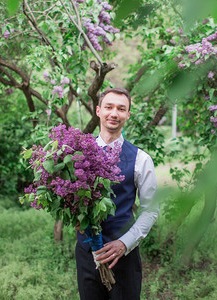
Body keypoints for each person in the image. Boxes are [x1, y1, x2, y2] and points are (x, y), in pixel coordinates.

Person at [75, 88, 159, 300]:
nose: (114, 113)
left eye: (121, 109)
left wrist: (125, 243)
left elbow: (150, 210)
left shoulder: (141, 159)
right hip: (87, 253)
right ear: (98, 111)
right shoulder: (76, 154)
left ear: (128, 114)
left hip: (124, 254)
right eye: (109, 107)